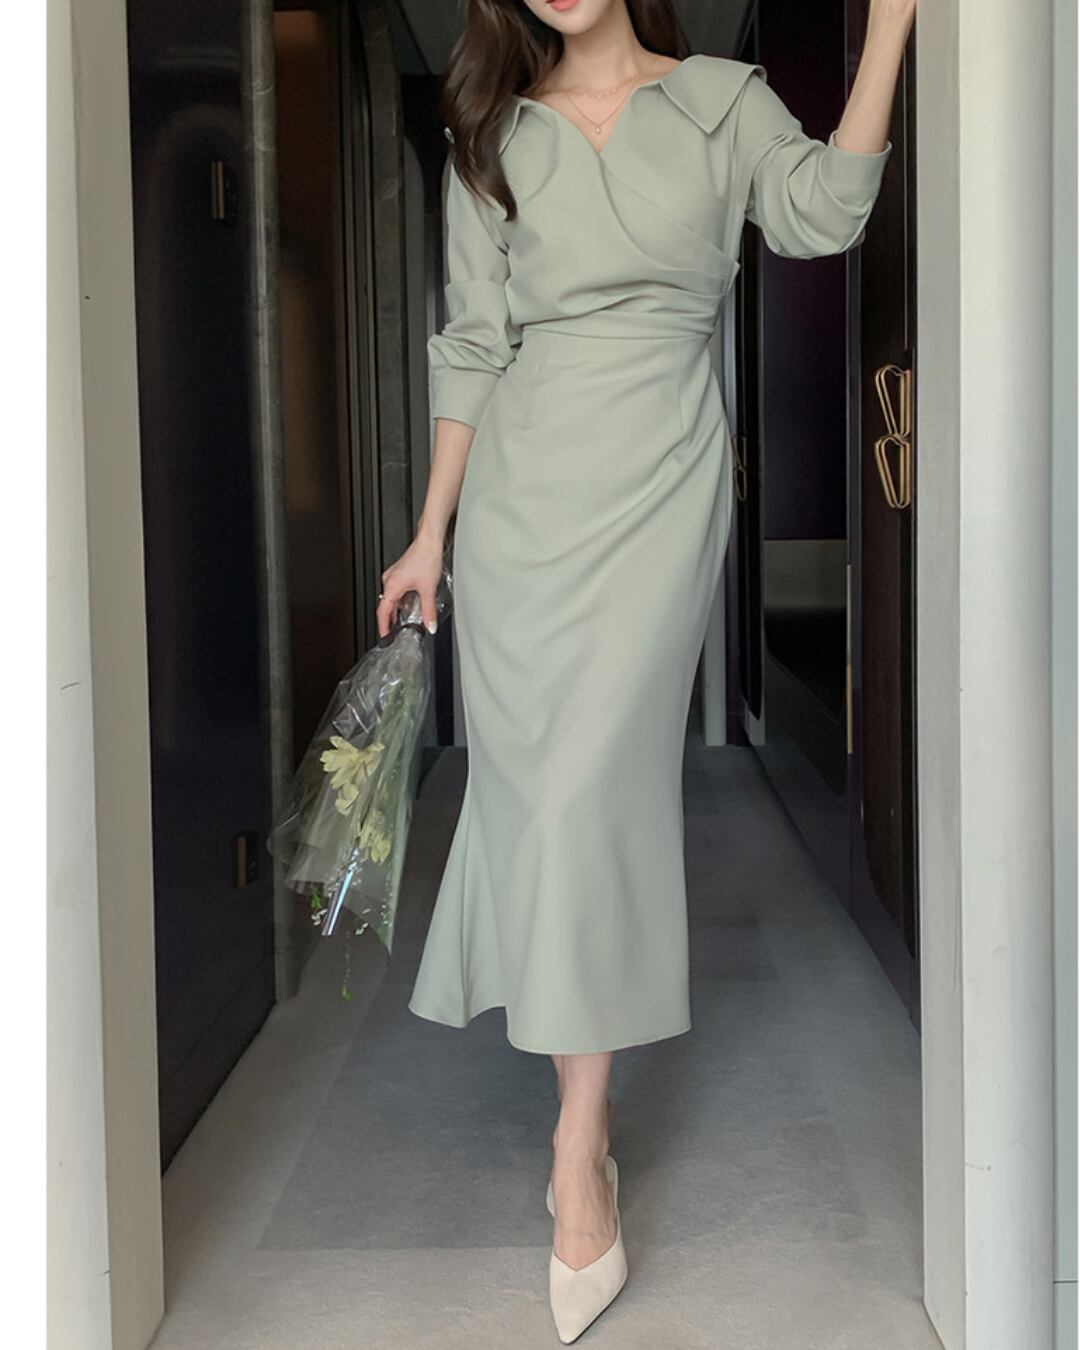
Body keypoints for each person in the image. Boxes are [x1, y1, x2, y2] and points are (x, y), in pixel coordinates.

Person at [376, 0, 915, 1340]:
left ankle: (578, 1146)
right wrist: (432, 533)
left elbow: (825, 213)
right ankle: (586, 1133)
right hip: (521, 504)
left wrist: (892, 25)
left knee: (590, 795)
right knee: (546, 800)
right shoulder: (491, 136)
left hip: (662, 485)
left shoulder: (725, 102)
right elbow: (473, 344)